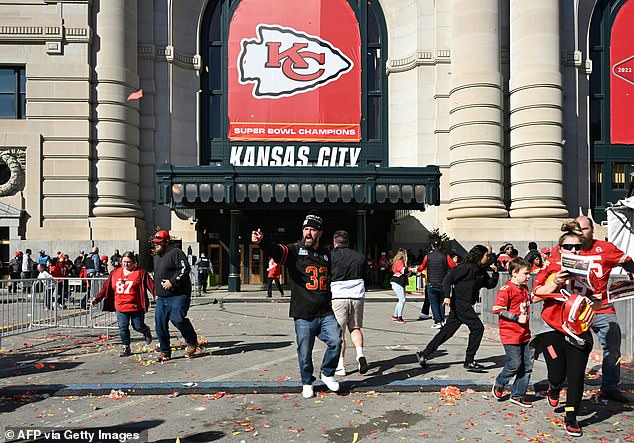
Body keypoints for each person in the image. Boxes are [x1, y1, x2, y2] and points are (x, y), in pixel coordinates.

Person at [251, 210, 342, 399]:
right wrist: (262, 242)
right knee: (304, 351)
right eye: (305, 229)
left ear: (320, 232)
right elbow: (277, 251)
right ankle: (307, 382)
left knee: (336, 341)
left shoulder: (326, 253)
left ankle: (327, 373)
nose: (308, 233)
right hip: (303, 313)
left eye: (312, 230)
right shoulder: (294, 251)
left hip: (325, 312)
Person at [532, 221, 599, 437]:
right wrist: (556, 282)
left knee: (576, 375)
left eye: (577, 248)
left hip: (578, 330)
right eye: (568, 247)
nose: (573, 251)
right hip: (551, 329)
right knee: (558, 373)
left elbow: (598, 300)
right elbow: (535, 296)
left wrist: (591, 305)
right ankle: (554, 386)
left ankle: (571, 417)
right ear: (560, 249)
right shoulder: (551, 268)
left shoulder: (590, 270)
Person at [574, 215, 634, 404]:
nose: (580, 233)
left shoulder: (605, 248)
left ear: (592, 229)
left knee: (613, 345)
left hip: (602, 307)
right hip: (575, 309)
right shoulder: (567, 248)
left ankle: (610, 387)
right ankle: (565, 384)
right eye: (576, 229)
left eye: (584, 229)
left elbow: (627, 262)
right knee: (572, 349)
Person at [416, 245, 499, 370]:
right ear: (479, 255)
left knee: (447, 332)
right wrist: (446, 296)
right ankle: (469, 360)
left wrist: (496, 273)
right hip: (460, 302)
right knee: (477, 328)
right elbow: (448, 279)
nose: (488, 258)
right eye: (486, 255)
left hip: (465, 304)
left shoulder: (480, 270)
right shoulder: (466, 267)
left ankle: (424, 354)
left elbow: (490, 285)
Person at [92, 252, 155, 357]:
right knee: (123, 327)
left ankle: (145, 330)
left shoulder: (141, 272)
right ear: (121, 262)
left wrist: (156, 294)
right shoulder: (115, 273)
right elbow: (105, 287)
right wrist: (97, 298)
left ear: (134, 263)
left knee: (137, 326)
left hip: (135, 306)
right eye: (124, 262)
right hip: (120, 305)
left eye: (129, 262)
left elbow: (151, 285)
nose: (126, 264)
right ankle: (126, 347)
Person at [491, 258, 533, 408]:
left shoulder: (525, 288)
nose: (529, 276)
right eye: (526, 273)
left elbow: (531, 300)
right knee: (514, 364)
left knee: (527, 366)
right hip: (511, 334)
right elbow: (497, 309)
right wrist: (516, 318)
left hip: (525, 334)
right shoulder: (506, 289)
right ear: (514, 273)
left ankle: (518, 394)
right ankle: (500, 382)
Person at [152, 229, 199, 362]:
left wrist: (172, 282)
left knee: (177, 319)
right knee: (159, 324)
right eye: (155, 243)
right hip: (161, 297)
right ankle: (165, 351)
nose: (156, 245)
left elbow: (185, 269)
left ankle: (191, 341)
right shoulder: (156, 257)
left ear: (166, 242)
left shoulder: (176, 253)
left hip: (178, 295)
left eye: (159, 243)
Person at [330, 230, 369, 376]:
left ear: (335, 242)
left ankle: (340, 365)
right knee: (355, 328)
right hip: (357, 295)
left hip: (339, 295)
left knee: (339, 332)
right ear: (348, 242)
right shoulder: (359, 256)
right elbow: (366, 276)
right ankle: (360, 354)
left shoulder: (331, 256)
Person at [414, 237, 457, 327]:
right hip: (443, 283)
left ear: (432, 245)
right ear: (440, 245)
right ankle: (441, 320)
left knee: (433, 303)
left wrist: (415, 270)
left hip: (431, 283)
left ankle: (437, 321)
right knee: (442, 302)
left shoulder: (427, 256)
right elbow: (453, 266)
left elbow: (421, 267)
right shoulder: (446, 256)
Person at [389, 249, 410, 324]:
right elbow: (402, 270)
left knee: (401, 299)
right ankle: (399, 317)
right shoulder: (400, 261)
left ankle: (395, 315)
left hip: (398, 281)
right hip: (398, 281)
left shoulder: (397, 261)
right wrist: (410, 269)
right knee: (402, 300)